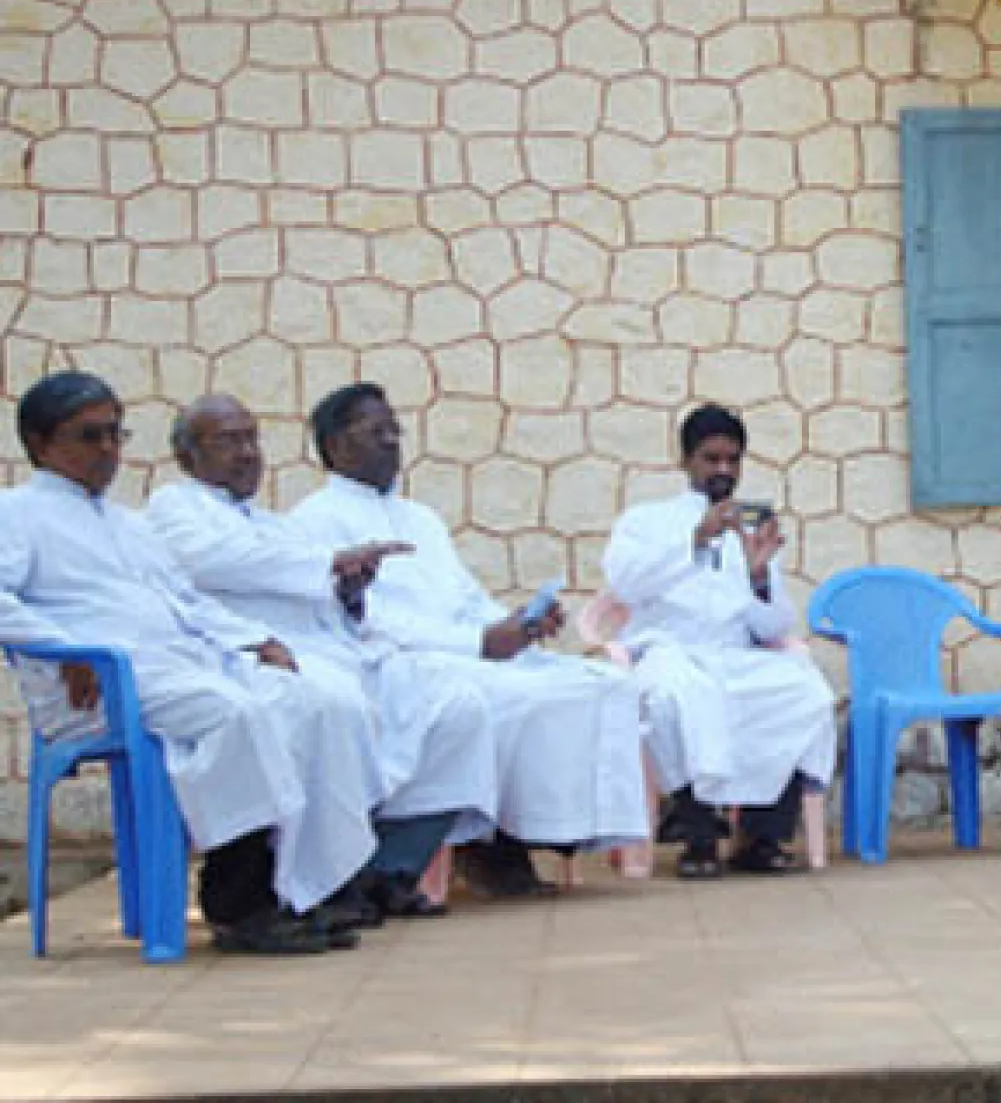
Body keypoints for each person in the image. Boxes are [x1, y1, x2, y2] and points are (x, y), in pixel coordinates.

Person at [0, 372, 386, 954]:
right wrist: (66, 650)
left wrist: (255, 641)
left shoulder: (125, 523)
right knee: (234, 713)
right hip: (104, 682)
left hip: (180, 663)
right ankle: (239, 904)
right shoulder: (19, 512)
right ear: (40, 442)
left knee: (311, 699)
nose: (108, 449)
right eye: (90, 436)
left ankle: (306, 889)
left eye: (115, 434)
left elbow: (186, 602)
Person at [147, 395, 510, 919]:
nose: (248, 454)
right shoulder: (175, 508)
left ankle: (391, 868)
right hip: (256, 657)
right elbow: (217, 563)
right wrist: (327, 564)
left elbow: (321, 596)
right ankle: (320, 886)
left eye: (252, 439)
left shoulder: (273, 523)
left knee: (459, 706)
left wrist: (350, 589)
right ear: (186, 457)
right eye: (229, 441)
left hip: (336, 649)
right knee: (332, 704)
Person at [289, 383, 650, 893]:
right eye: (376, 431)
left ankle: (532, 838)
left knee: (601, 686)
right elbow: (365, 622)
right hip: (400, 662)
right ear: (334, 446)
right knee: (507, 699)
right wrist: (480, 643)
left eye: (395, 430)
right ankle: (487, 851)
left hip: (467, 649)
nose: (392, 441)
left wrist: (519, 625)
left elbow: (465, 597)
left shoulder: (421, 519)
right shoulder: (314, 521)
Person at [602, 403, 837, 878]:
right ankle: (699, 836)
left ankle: (763, 835)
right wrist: (695, 540)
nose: (723, 470)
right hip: (670, 653)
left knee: (804, 692)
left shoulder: (749, 528)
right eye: (711, 459)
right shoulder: (646, 522)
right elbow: (626, 585)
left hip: (734, 656)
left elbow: (772, 627)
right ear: (685, 460)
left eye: (733, 460)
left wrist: (758, 576)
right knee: (674, 700)